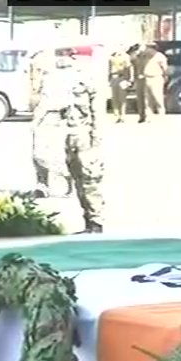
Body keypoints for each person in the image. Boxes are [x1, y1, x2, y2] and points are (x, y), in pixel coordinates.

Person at [49, 55, 105, 232]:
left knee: (90, 178)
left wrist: (95, 142)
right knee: (77, 178)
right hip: (69, 135)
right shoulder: (64, 80)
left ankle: (96, 221)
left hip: (85, 136)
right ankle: (88, 220)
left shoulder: (91, 81)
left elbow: (98, 114)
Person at [30, 48, 72, 198]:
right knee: (38, 154)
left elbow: (53, 102)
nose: (35, 69)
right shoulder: (38, 80)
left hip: (53, 118)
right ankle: (42, 185)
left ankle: (67, 182)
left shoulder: (54, 78)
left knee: (54, 155)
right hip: (43, 118)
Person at [131, 41, 167, 122]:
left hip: (156, 78)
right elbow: (134, 61)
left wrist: (164, 77)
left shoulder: (159, 56)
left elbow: (164, 68)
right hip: (146, 78)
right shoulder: (142, 56)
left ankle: (162, 115)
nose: (147, 49)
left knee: (158, 98)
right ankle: (148, 116)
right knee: (147, 99)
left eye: (149, 47)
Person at [107, 48, 133, 123]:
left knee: (122, 98)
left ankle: (122, 116)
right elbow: (109, 68)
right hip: (113, 77)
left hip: (122, 77)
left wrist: (130, 79)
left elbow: (129, 68)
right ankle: (116, 115)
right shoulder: (111, 57)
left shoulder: (126, 57)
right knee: (114, 98)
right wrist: (109, 78)